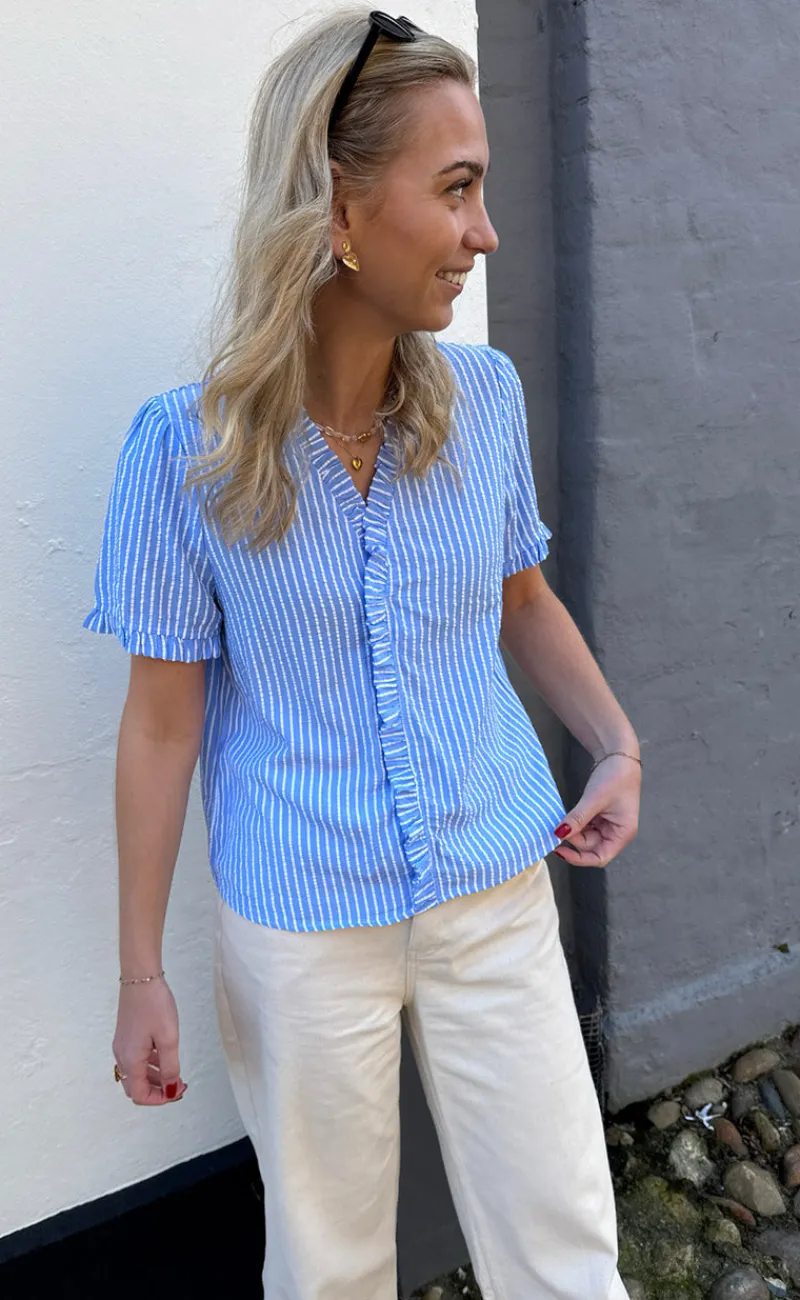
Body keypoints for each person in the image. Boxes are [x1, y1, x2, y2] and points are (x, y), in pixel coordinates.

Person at [84, 7, 641, 1298]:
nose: (485, 233)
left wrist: (615, 744)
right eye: (456, 189)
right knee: (327, 1270)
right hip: (302, 919)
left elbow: (522, 599)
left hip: (494, 881)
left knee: (565, 1252)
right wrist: (139, 975)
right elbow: (160, 724)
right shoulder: (187, 454)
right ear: (338, 211)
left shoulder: (483, 401)